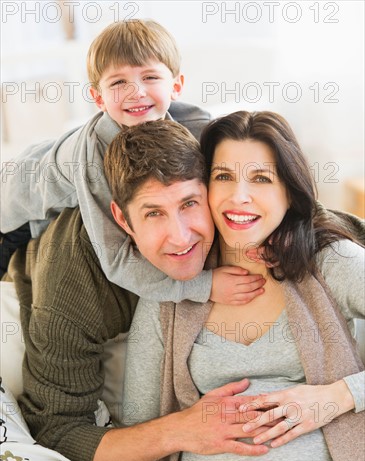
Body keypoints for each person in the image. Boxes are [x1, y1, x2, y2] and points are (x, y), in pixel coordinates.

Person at [2, 120, 268, 461]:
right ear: (123, 220)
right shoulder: (75, 282)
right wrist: (183, 429)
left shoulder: (241, 211)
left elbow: (330, 232)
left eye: (189, 204)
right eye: (153, 213)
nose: (180, 237)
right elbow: (58, 430)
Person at [122, 111, 365, 461]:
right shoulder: (171, 292)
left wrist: (337, 396)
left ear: (289, 191)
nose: (239, 196)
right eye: (223, 176)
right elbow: (139, 428)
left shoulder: (331, 262)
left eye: (261, 178)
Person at [0, 18, 257, 305]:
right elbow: (116, 260)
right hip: (16, 206)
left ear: (176, 85)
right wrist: (203, 287)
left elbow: (239, 157)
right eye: (119, 82)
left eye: (150, 77)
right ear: (98, 98)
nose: (137, 92)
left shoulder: (191, 121)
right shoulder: (93, 158)